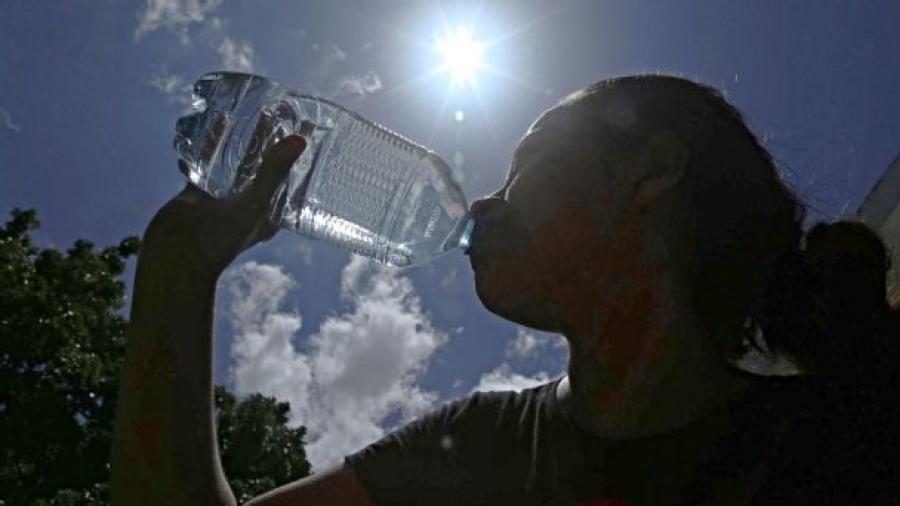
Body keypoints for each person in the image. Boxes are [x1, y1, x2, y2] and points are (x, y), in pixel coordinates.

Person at [110, 75, 900, 505]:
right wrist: (179, 267)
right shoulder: (476, 444)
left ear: (651, 172)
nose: (486, 202)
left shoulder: (846, 444)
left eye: (524, 167)